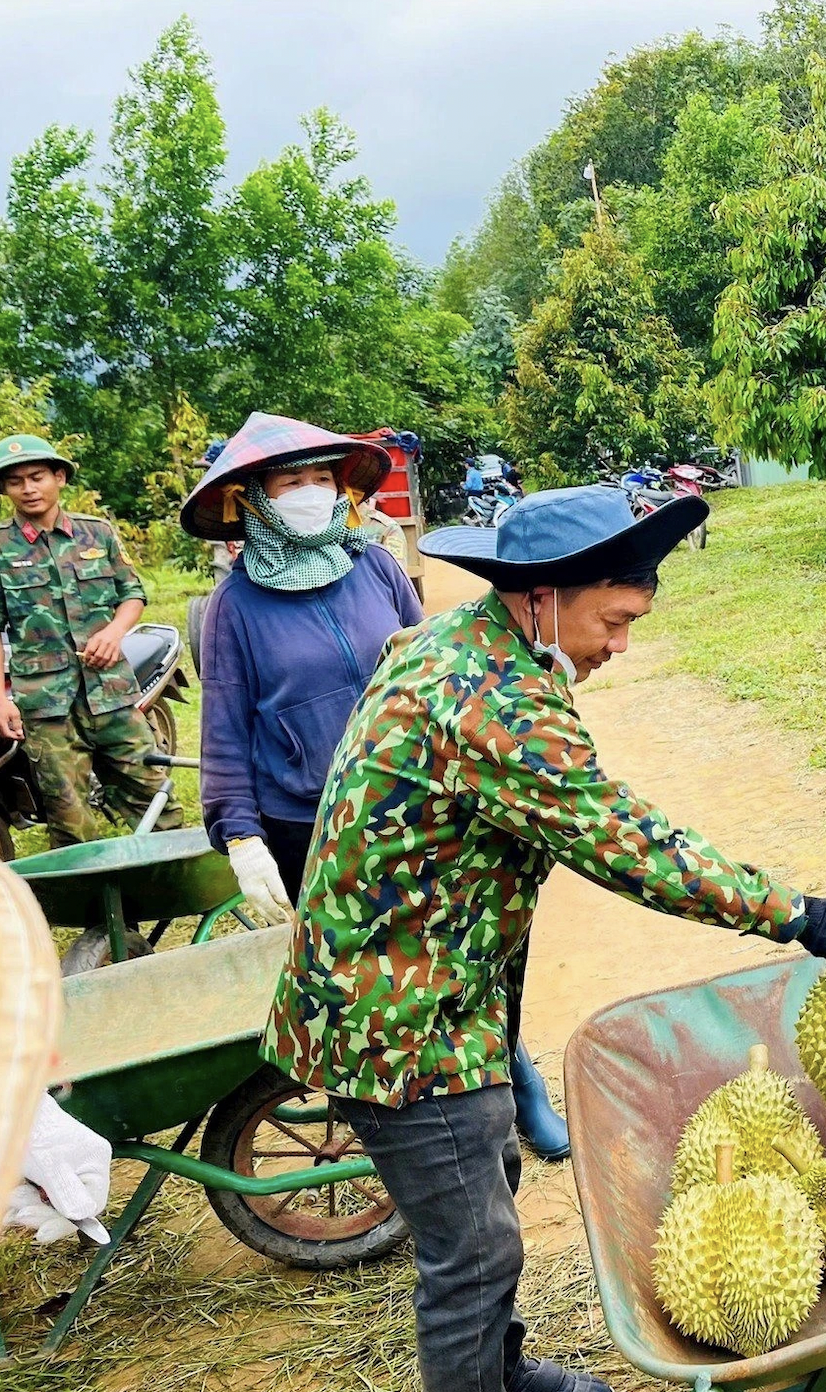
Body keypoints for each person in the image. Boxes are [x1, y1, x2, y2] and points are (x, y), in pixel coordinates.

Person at [261, 486, 826, 1392]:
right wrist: (795, 912)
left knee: (489, 1179)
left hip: (428, 988)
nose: (620, 646)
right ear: (543, 595)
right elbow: (627, 842)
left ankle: (502, 1368)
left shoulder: (457, 642)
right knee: (471, 1253)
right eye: (616, 618)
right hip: (399, 1019)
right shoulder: (496, 703)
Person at [185, 412, 569, 1160]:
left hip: (421, 806)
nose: (310, 492)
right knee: (382, 984)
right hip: (313, 827)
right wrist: (238, 833)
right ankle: (422, 1127)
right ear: (256, 498)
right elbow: (223, 729)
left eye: (322, 478)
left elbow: (437, 664)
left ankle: (516, 1082)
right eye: (291, 480)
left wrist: (519, 683)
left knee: (468, 954)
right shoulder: (234, 608)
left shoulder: (376, 567)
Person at [0, 434, 177, 845]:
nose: (28, 488)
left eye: (37, 476)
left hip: (111, 694)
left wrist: (114, 633)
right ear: (5, 489)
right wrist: (0, 699)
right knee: (69, 820)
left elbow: (132, 594)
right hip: (46, 706)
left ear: (59, 477)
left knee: (153, 798)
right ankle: (98, 910)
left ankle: (176, 894)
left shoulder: (97, 534)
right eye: (15, 481)